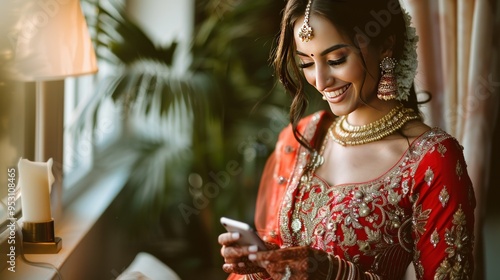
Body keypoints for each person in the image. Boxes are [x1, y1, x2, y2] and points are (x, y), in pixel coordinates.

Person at [218, 0, 476, 279]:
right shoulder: (302, 138)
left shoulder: (432, 159)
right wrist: (263, 264)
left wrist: (337, 274)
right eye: (306, 62)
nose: (320, 80)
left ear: (386, 46)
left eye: (336, 60)